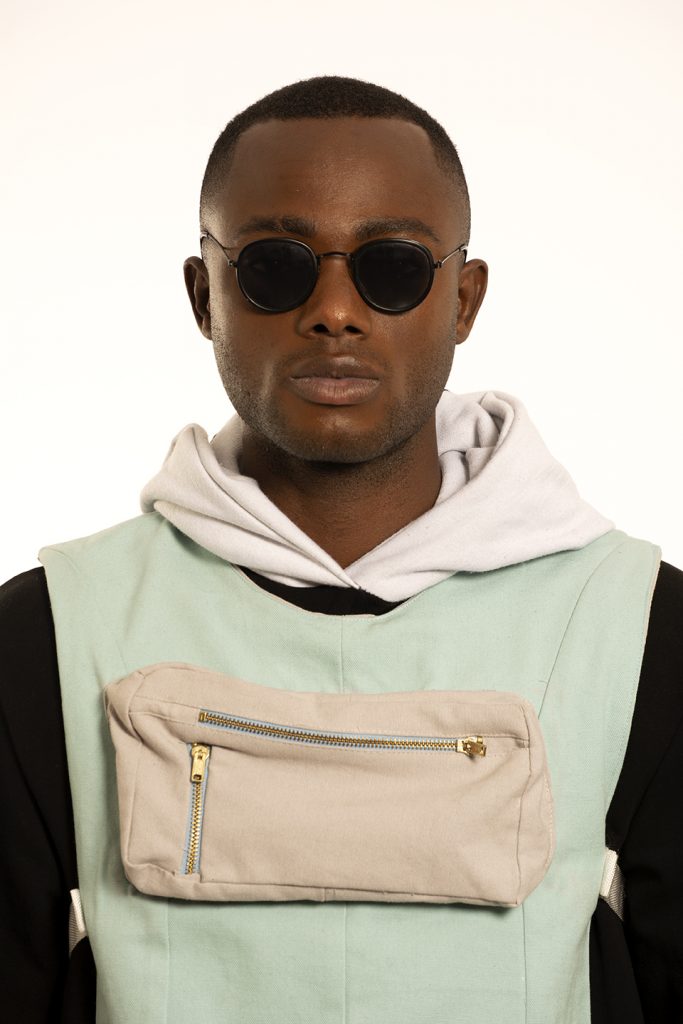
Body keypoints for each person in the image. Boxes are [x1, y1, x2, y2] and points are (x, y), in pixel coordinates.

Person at [0, 75, 681, 1024]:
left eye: (391, 267)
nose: (333, 311)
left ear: (463, 300)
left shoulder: (636, 629)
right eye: (274, 266)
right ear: (203, 296)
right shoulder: (46, 635)